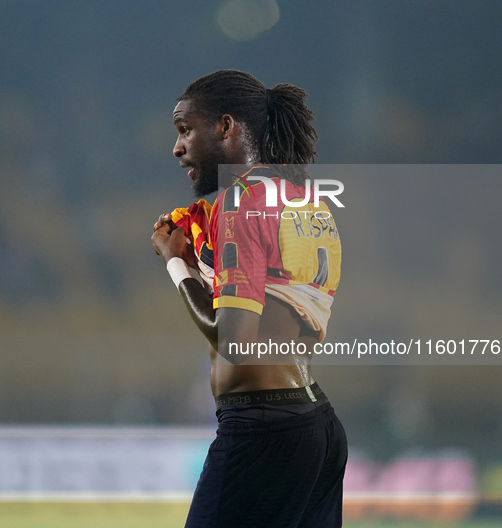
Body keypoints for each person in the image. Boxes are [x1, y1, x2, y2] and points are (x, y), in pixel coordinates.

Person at [151, 70, 347, 528]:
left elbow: (236, 342)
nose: (177, 148)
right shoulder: (302, 199)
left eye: (185, 130)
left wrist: (175, 262)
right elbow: (275, 295)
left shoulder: (243, 200)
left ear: (226, 126)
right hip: (316, 425)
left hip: (262, 429)